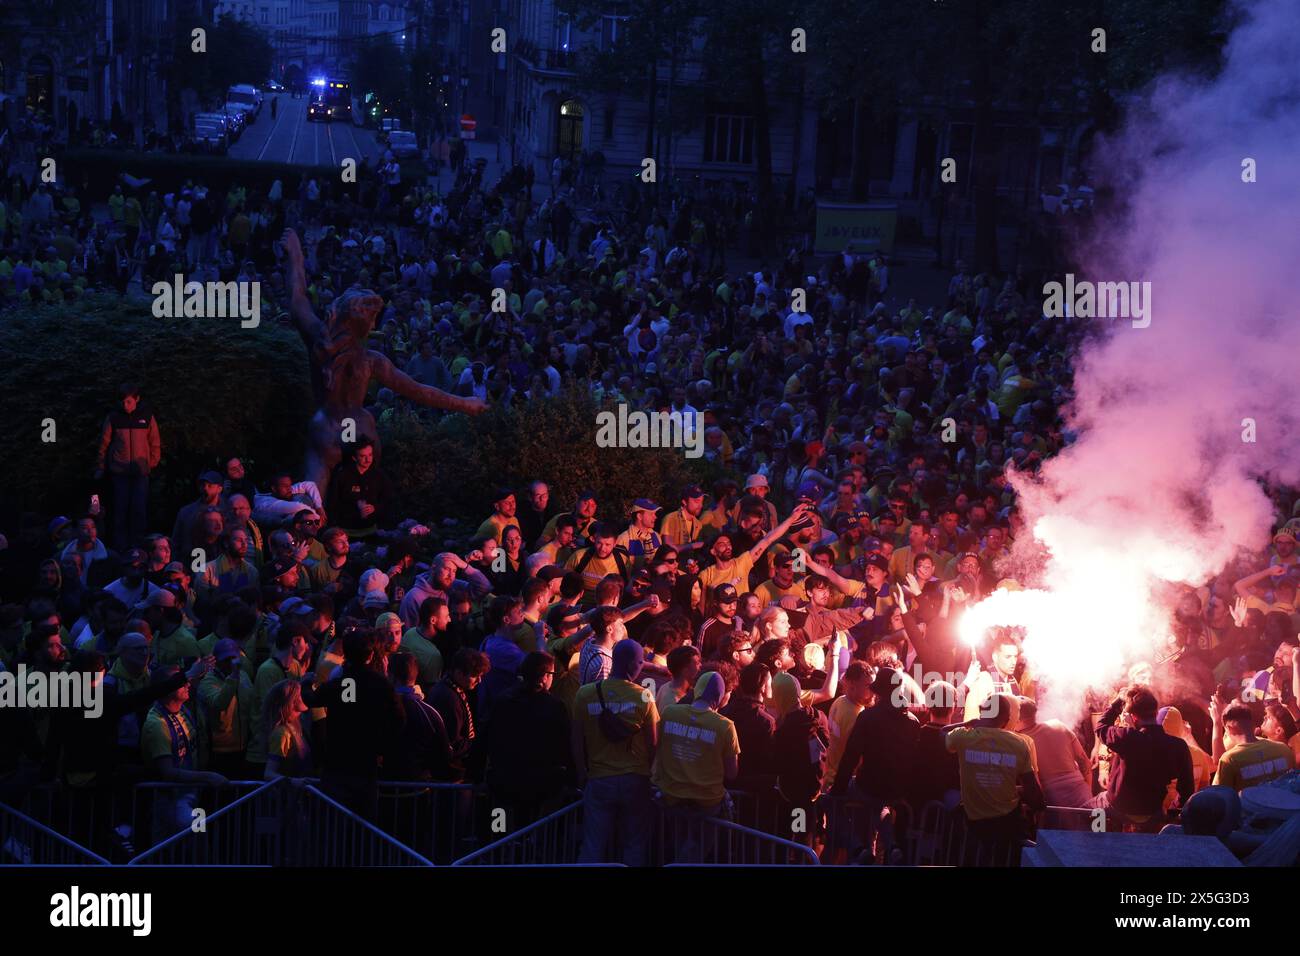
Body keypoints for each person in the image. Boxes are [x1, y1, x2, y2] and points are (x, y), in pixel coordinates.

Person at [299, 628, 404, 819]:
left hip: (339, 761)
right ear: (371, 655)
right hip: (366, 762)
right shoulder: (381, 684)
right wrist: (382, 746)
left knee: (335, 822)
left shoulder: (348, 683)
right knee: (364, 824)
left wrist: (306, 683)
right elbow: (398, 719)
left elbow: (314, 699)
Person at [573, 639, 659, 865]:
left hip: (599, 779)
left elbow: (576, 739)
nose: (642, 666)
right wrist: (648, 773)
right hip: (636, 780)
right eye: (640, 661)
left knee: (593, 845)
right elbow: (654, 743)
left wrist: (583, 772)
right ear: (632, 664)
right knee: (635, 844)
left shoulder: (584, 693)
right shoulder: (644, 696)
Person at [945, 693, 1045, 863]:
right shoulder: (1020, 744)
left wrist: (971, 723)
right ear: (1006, 718)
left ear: (981, 713)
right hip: (1007, 824)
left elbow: (943, 732)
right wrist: (1038, 805)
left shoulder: (963, 737)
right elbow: (1033, 792)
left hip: (974, 825)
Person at [484, 651, 572, 827]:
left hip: (504, 781)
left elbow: (487, 736)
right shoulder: (554, 706)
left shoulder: (503, 700)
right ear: (545, 676)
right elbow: (563, 744)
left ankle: (502, 850)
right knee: (532, 833)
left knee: (501, 831)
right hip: (539, 784)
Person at [1091, 684, 1193, 829]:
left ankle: (1096, 841)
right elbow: (1187, 789)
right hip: (1152, 811)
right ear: (1156, 712)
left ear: (1133, 716)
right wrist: (1171, 812)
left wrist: (1117, 703)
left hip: (1116, 808)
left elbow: (1101, 727)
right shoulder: (1178, 746)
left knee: (1082, 813)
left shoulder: (1127, 737)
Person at [654, 671, 740, 829]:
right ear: (720, 696)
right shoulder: (725, 726)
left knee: (673, 843)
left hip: (671, 796)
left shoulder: (670, 712)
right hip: (707, 802)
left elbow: (656, 746)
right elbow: (731, 773)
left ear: (697, 689)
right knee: (698, 849)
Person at [94, 383, 161, 549]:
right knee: (120, 510)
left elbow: (155, 441)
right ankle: (120, 548)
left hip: (140, 472)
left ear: (137, 399)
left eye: (129, 402)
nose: (126, 405)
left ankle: (138, 548)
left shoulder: (147, 416)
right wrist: (101, 466)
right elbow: (104, 442)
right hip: (120, 472)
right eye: (123, 402)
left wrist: (151, 462)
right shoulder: (114, 417)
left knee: (139, 510)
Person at [1015, 696, 1092, 808]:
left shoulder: (1018, 740)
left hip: (1053, 801)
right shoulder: (1058, 725)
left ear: (1016, 718)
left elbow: (1033, 783)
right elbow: (1085, 762)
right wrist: (1088, 792)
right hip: (1081, 792)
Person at [1211, 698, 1296, 792]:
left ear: (1229, 728)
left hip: (1247, 807)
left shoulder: (1230, 759)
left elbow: (1219, 796)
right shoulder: (1284, 750)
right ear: (1253, 725)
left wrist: (1217, 723)